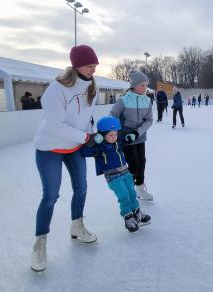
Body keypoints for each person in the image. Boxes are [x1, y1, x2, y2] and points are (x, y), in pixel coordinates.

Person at [31, 45, 100, 272]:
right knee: (51, 195)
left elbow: (88, 117)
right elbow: (55, 125)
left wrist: (93, 134)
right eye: (90, 65)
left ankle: (77, 226)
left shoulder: (92, 87)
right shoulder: (56, 89)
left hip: (75, 147)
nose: (93, 69)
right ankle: (40, 243)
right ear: (76, 64)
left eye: (94, 65)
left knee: (81, 188)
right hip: (50, 148)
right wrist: (85, 136)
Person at [80, 116, 151, 232]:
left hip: (125, 172)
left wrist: (130, 137)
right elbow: (84, 152)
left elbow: (125, 138)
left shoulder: (119, 142)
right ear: (102, 135)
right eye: (110, 135)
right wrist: (93, 142)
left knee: (132, 193)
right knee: (124, 196)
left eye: (115, 134)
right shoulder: (100, 147)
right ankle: (128, 217)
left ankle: (137, 213)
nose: (113, 138)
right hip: (113, 177)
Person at [110, 70, 154, 201]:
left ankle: (140, 190)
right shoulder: (123, 100)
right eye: (142, 85)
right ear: (134, 85)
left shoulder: (147, 100)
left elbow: (149, 120)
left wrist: (137, 132)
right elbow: (112, 117)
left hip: (140, 136)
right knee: (134, 164)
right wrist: (120, 133)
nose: (144, 88)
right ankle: (128, 191)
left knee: (142, 162)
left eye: (146, 85)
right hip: (127, 138)